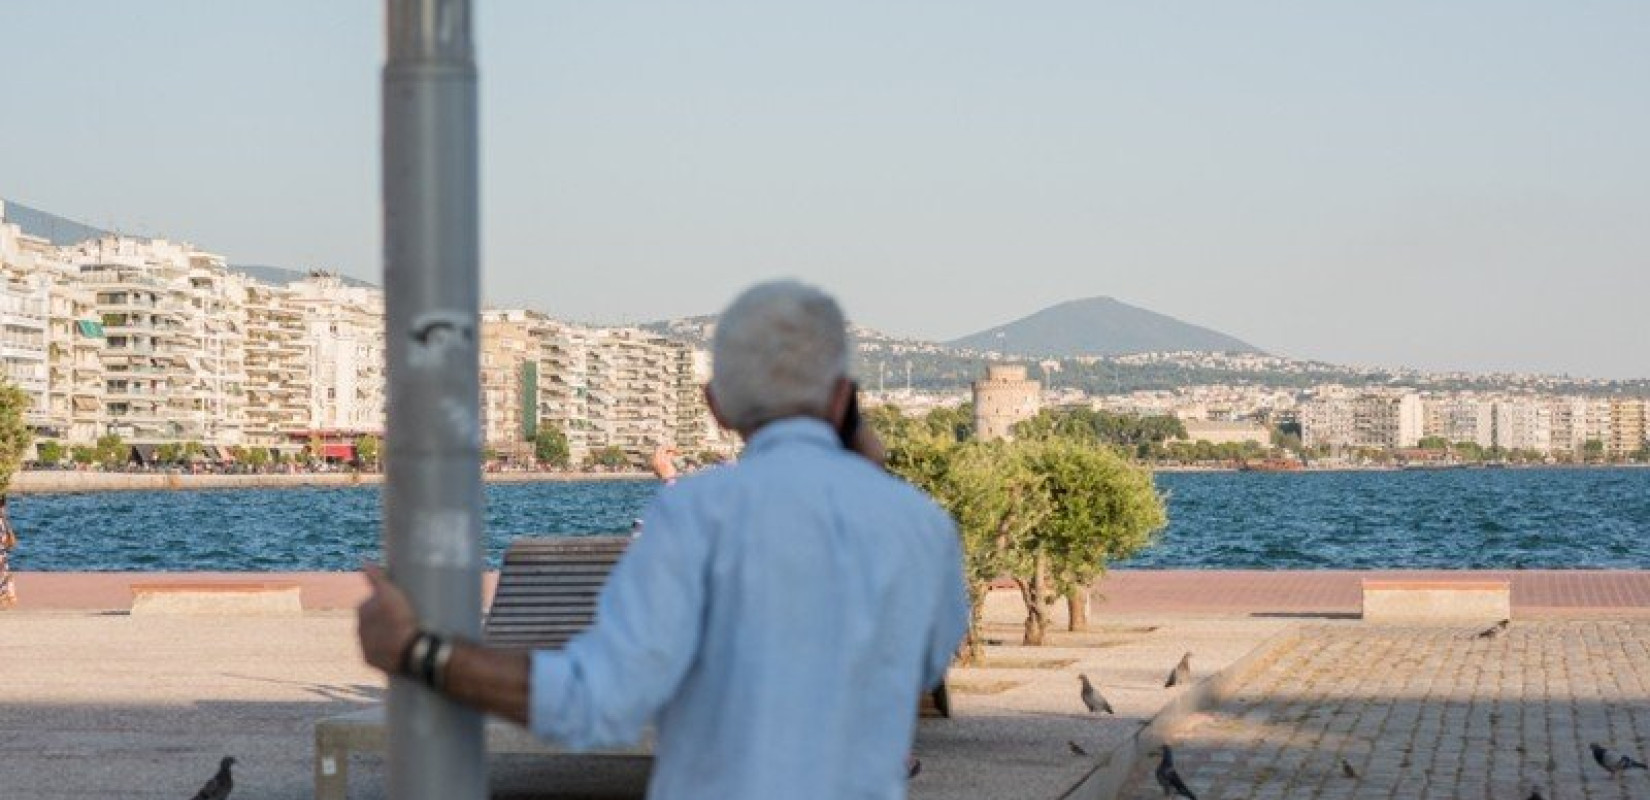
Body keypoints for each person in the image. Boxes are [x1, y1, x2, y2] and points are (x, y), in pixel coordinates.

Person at [358, 279, 969, 799]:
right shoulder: (921, 526)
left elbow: (598, 702)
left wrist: (417, 651)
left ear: (716, 406)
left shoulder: (697, 515)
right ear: (843, 397)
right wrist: (869, 473)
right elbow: (926, 661)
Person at [0, 495, 17, 609]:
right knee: (7, 579)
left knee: (7, 578)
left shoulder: (3, 521)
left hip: (2, 555)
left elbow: (10, 542)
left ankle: (6, 598)